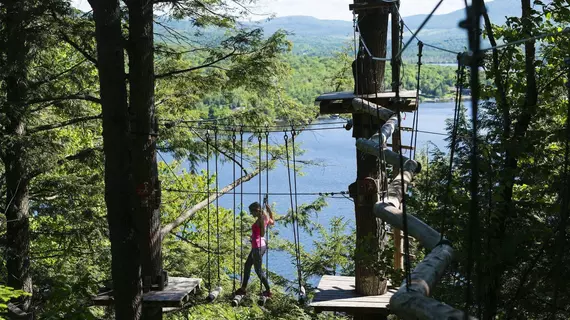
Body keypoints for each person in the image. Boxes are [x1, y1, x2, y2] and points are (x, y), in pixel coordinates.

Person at [235, 196, 274, 298]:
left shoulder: (261, 219)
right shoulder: (265, 216)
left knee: (258, 270)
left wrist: (260, 226)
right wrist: (269, 210)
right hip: (260, 246)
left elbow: (261, 234)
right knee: (247, 265)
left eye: (252, 212)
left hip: (257, 247)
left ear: (256, 211)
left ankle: (268, 291)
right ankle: (243, 289)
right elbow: (272, 221)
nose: (251, 214)